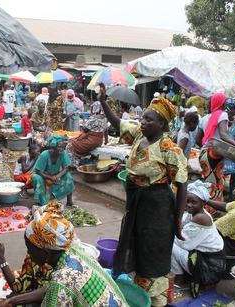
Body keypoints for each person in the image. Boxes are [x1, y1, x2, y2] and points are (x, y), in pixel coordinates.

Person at [99, 82, 188, 307]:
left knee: (153, 252)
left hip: (157, 209)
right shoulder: (139, 136)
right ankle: (140, 292)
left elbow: (182, 183)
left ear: (162, 124)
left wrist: (178, 221)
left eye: (149, 119)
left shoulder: (170, 149)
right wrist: (102, 101)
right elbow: (118, 123)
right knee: (136, 244)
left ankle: (156, 300)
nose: (143, 122)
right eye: (143, 118)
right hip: (137, 205)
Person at [0, 201, 128, 307]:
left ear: (44, 251)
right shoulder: (75, 252)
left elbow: (58, 287)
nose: (28, 252)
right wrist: (13, 301)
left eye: (29, 248)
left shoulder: (62, 279)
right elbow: (53, 287)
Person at [171, 181, 226, 298]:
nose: (188, 205)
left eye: (193, 202)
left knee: (169, 244)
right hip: (211, 262)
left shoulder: (201, 218)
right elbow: (182, 219)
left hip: (209, 268)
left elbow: (184, 243)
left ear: (203, 203)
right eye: (187, 201)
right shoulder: (197, 213)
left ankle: (179, 277)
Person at [195, 93, 235, 205]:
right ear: (222, 103)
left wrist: (207, 148)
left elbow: (198, 140)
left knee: (209, 183)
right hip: (214, 155)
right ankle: (209, 212)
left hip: (203, 154)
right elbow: (223, 135)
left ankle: (206, 211)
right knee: (214, 185)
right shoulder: (222, 115)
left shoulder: (205, 118)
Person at [30, 136, 76, 208]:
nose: (62, 149)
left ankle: (69, 202)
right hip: (42, 175)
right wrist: (51, 178)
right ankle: (43, 202)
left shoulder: (63, 153)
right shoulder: (44, 154)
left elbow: (67, 167)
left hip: (54, 175)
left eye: (63, 147)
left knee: (68, 176)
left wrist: (58, 176)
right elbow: (38, 171)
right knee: (36, 178)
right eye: (59, 147)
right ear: (54, 147)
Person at [66, 101, 108, 167]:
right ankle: (81, 161)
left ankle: (75, 164)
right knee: (75, 141)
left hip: (90, 142)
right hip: (99, 141)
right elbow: (106, 131)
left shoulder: (94, 117)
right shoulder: (105, 118)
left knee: (70, 145)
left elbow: (84, 129)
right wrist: (106, 142)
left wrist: (83, 118)